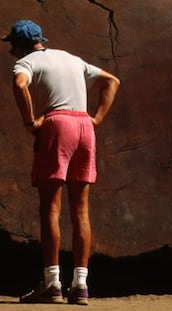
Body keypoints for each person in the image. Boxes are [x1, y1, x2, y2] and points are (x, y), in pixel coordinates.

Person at [2, 20, 120, 305]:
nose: (10, 53)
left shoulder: (25, 63)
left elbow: (20, 85)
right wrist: (97, 118)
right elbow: (112, 81)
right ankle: (80, 285)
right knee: (80, 210)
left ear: (18, 45)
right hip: (84, 127)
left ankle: (52, 283)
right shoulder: (71, 58)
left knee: (50, 210)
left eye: (10, 47)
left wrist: (30, 122)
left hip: (56, 125)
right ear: (41, 39)